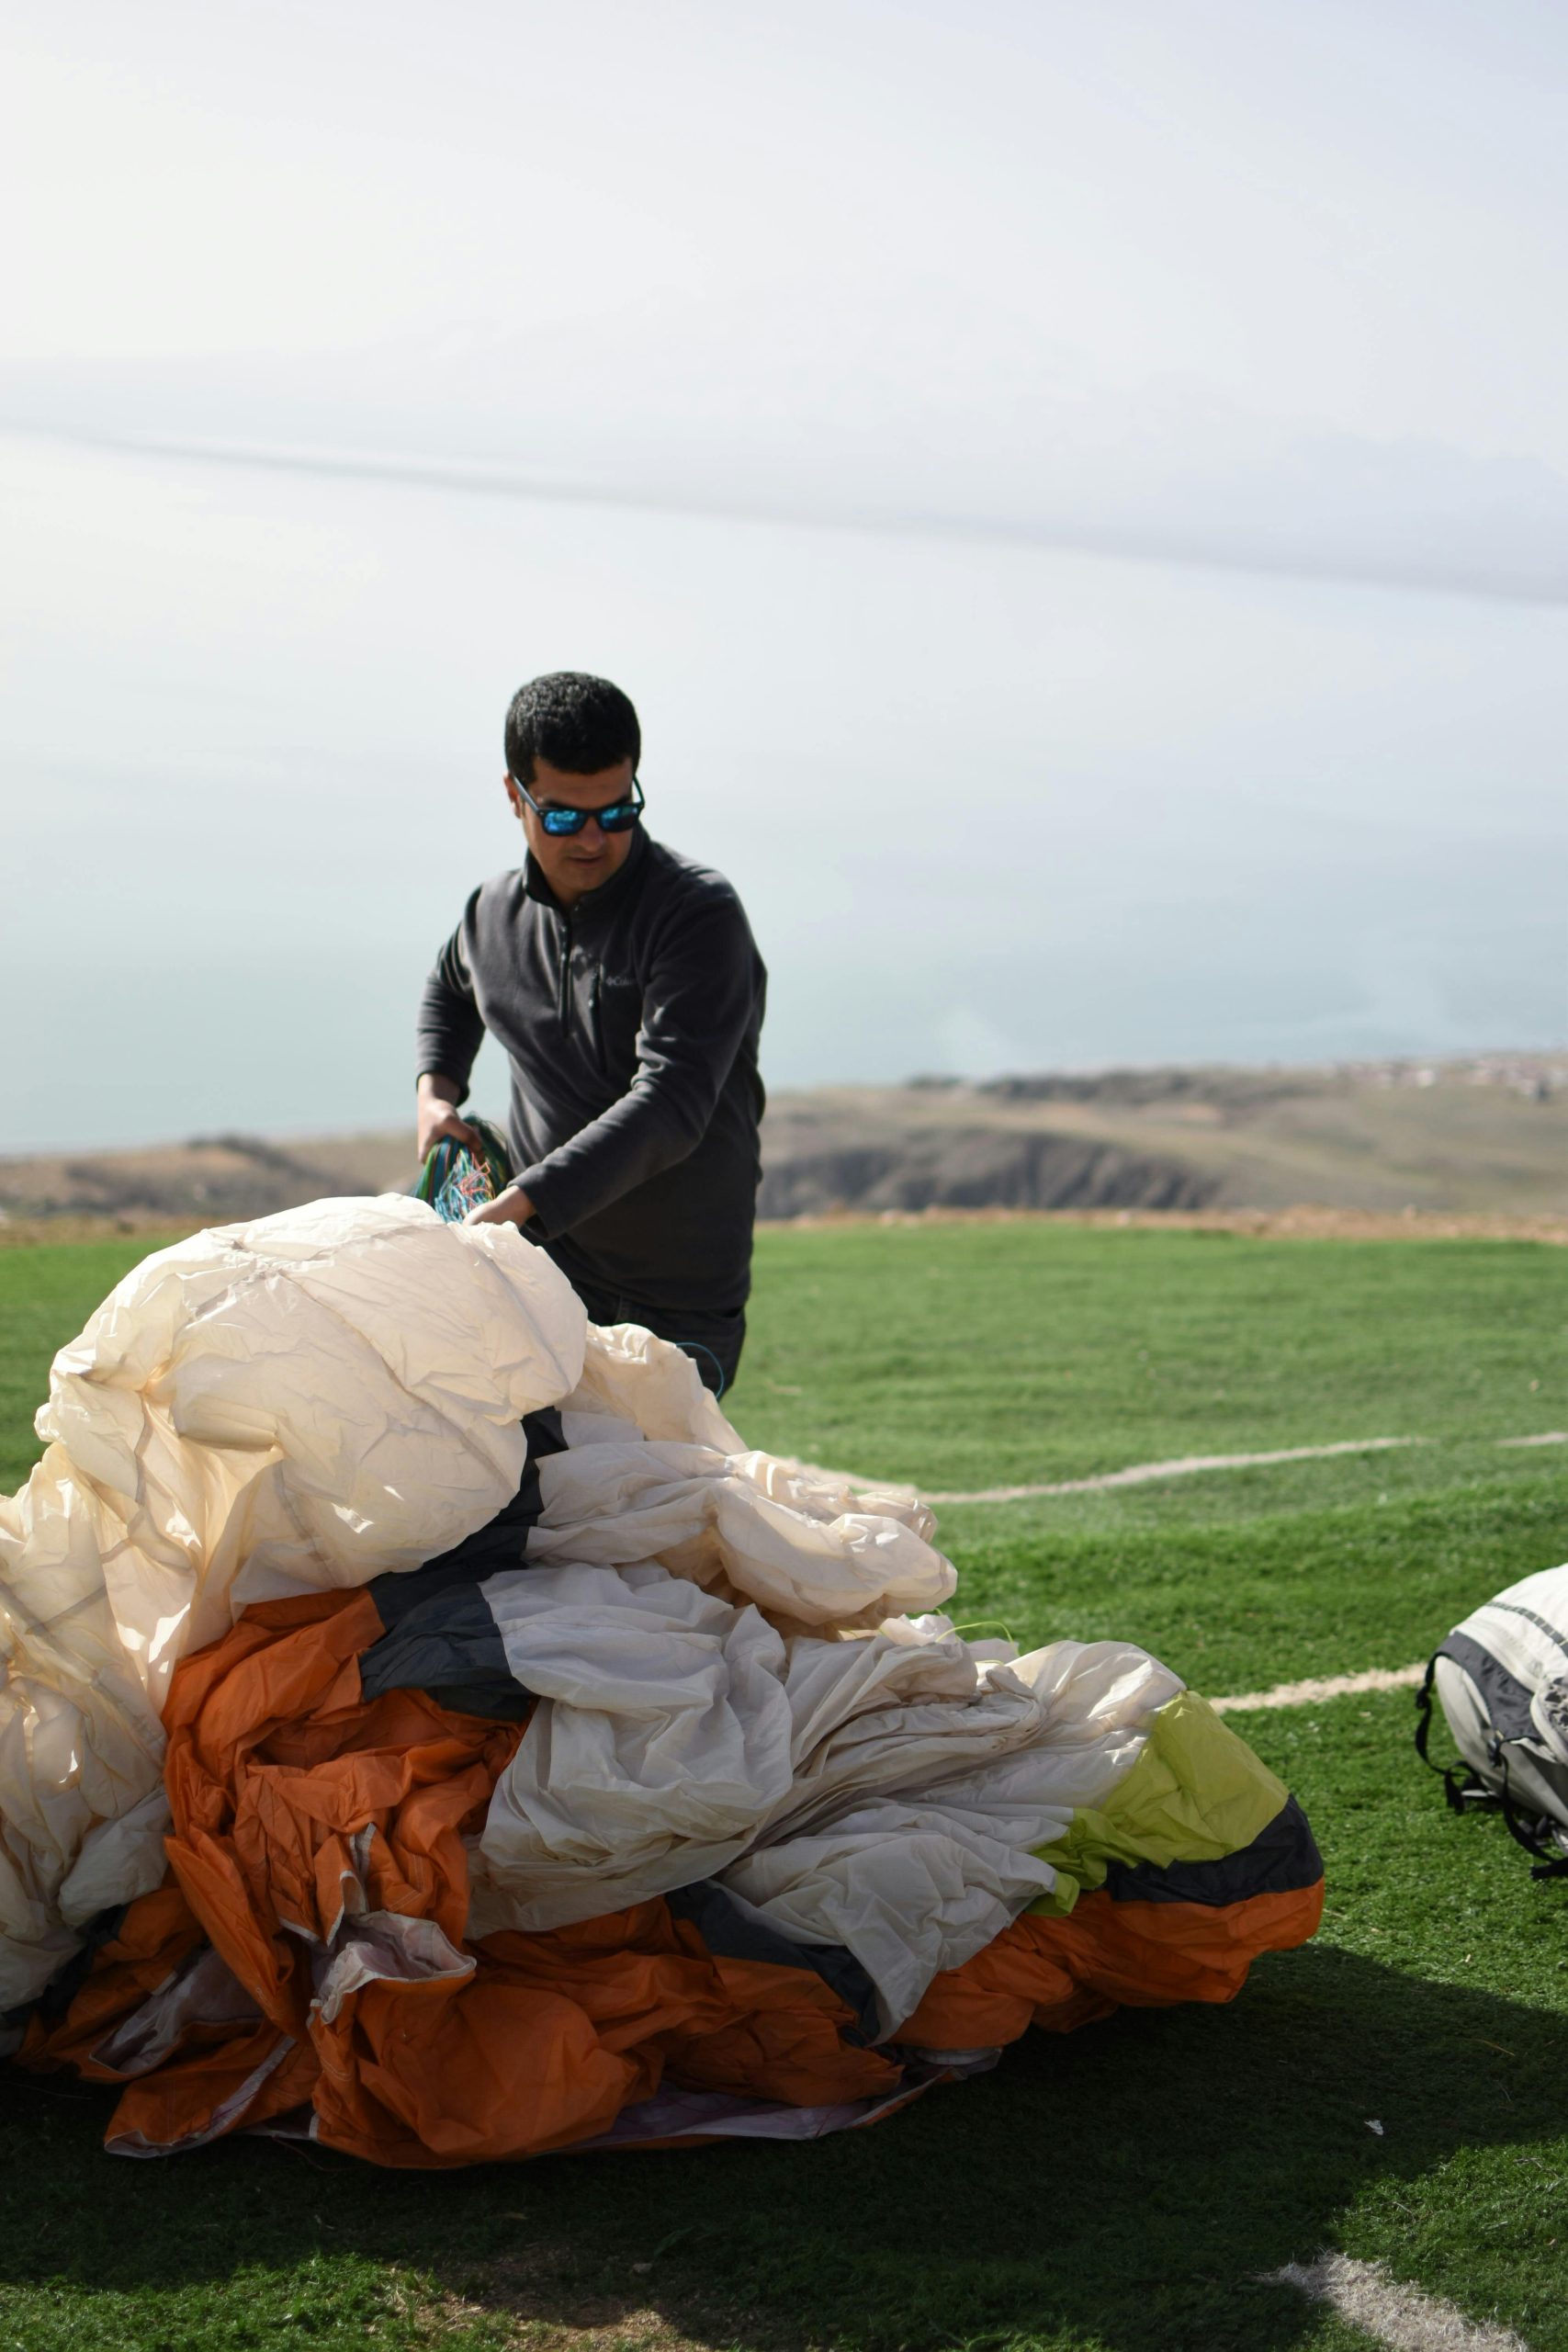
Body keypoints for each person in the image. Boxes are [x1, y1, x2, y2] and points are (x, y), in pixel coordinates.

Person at [415, 672, 766, 1394]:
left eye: (617, 810)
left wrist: (518, 1206)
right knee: (499, 1496)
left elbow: (671, 1105)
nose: (595, 839)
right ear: (514, 795)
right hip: (540, 1280)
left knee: (634, 1502)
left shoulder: (696, 916)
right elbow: (450, 990)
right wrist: (436, 1094)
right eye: (564, 817)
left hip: (674, 1306)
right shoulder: (491, 914)